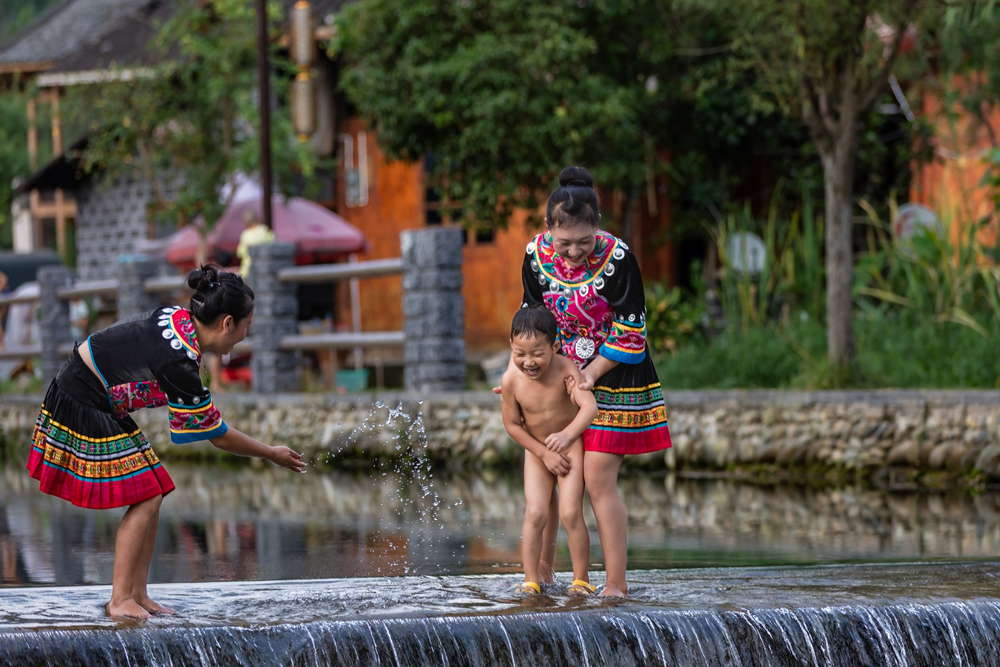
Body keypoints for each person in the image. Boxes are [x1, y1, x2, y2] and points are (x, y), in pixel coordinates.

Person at [25, 265, 304, 620]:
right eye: (246, 327)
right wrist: (271, 453)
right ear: (226, 323)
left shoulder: (180, 321)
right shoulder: (179, 360)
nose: (245, 337)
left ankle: (138, 594)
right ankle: (120, 598)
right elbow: (216, 435)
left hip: (96, 393)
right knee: (146, 493)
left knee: (155, 487)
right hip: (83, 395)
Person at [518, 165, 672, 597]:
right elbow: (532, 322)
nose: (573, 253)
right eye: (563, 242)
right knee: (553, 465)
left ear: (598, 228)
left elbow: (632, 332)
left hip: (616, 374)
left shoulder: (619, 258)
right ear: (548, 228)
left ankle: (616, 583)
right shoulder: (534, 255)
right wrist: (522, 374)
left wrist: (588, 374)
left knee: (598, 477)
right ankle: (542, 574)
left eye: (584, 242)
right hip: (561, 376)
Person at [500, 305, 598, 596]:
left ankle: (581, 579)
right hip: (537, 452)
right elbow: (512, 425)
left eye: (537, 354)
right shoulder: (510, 381)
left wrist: (568, 436)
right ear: (511, 347)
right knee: (536, 512)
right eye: (520, 354)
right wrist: (543, 453)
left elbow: (589, 407)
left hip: (568, 448)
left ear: (554, 347)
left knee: (569, 513)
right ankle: (531, 579)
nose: (528, 362)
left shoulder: (566, 368)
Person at [236, 210, 275, 276]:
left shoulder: (245, 234)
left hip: (248, 269)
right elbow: (273, 245)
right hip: (265, 267)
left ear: (247, 222)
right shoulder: (265, 230)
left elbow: (240, 253)